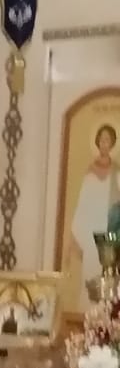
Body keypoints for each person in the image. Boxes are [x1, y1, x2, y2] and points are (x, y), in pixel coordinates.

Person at [69, 123, 120, 306]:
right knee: (91, 273)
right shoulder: (89, 172)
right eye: (102, 139)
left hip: (108, 232)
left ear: (112, 143)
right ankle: (88, 316)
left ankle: (106, 317)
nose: (104, 143)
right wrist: (77, 232)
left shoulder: (117, 172)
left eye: (108, 140)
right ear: (98, 142)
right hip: (91, 233)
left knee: (107, 277)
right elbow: (83, 204)